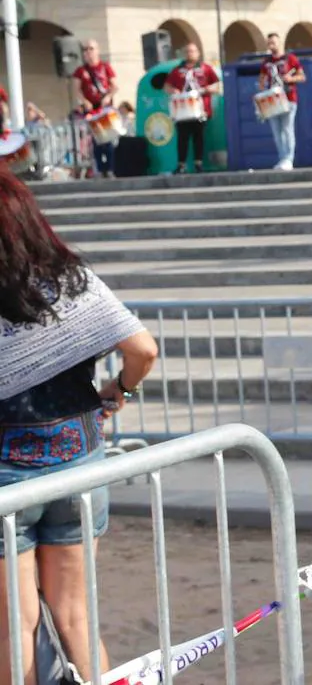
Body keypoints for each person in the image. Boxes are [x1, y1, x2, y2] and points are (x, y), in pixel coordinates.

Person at [0, 169, 158, 683]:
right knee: (76, 617)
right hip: (79, 467)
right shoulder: (73, 281)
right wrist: (122, 391)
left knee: (13, 628)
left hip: (7, 477)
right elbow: (142, 349)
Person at [163, 43, 221, 175]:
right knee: (182, 137)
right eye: (188, 51)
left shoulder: (205, 68)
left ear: (198, 53)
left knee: (198, 137)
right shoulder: (177, 70)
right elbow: (166, 86)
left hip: (200, 109)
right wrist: (174, 90)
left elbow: (216, 87)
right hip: (182, 110)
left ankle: (198, 163)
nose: (190, 54)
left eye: (193, 51)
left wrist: (206, 90)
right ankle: (181, 165)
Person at [258, 33, 305, 171]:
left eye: (273, 42)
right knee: (276, 131)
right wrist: (262, 84)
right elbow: (261, 80)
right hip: (273, 99)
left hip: (289, 98)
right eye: (269, 43)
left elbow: (302, 76)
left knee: (287, 129)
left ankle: (288, 159)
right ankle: (282, 157)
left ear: (279, 42)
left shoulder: (290, 58)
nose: (271, 45)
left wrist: (291, 79)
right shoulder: (266, 62)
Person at [73, 41, 118, 179]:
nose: (88, 52)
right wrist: (84, 101)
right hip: (91, 109)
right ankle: (100, 168)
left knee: (108, 139)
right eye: (85, 50)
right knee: (96, 140)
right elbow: (76, 89)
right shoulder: (81, 71)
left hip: (105, 107)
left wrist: (108, 96)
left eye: (91, 49)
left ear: (97, 50)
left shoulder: (105, 67)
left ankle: (110, 168)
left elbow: (114, 86)